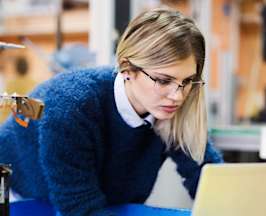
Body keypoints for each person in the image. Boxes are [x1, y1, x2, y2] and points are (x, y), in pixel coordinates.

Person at [0, 8, 223, 215]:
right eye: (163, 80)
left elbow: (211, 183)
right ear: (127, 69)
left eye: (188, 81)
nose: (178, 95)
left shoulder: (171, 107)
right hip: (17, 197)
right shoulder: (73, 104)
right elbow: (80, 208)